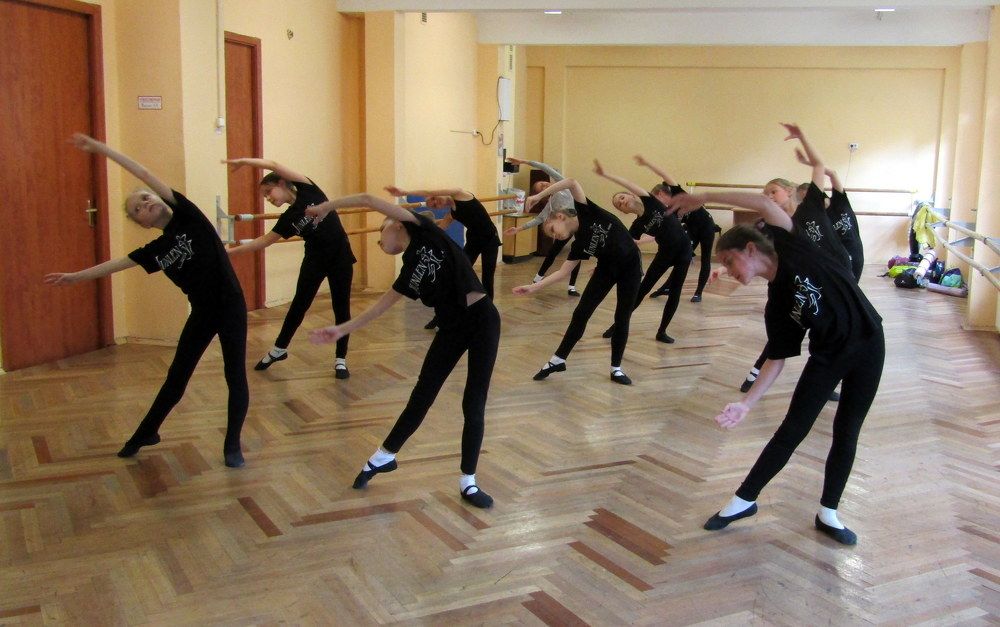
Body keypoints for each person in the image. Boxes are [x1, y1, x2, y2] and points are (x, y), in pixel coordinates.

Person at [667, 158, 884, 547]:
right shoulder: (777, 303)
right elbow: (777, 357)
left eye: (729, 261)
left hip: (870, 341)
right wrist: (746, 403)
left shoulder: (791, 242)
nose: (729, 270)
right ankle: (743, 500)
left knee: (847, 430)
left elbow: (766, 205)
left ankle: (829, 512)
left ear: (750, 249)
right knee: (792, 428)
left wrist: (703, 196)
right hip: (828, 356)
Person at [47, 134, 249, 468]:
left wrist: (100, 148)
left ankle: (232, 445)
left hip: (231, 306)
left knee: (234, 375)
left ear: (158, 197)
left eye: (145, 198)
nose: (144, 204)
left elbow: (141, 172)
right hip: (202, 312)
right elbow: (116, 265)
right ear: (141, 222)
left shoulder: (188, 215)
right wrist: (75, 277)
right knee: (177, 377)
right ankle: (146, 432)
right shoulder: (155, 250)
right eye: (137, 209)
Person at [307, 193, 500, 509]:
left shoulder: (424, 229)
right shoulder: (409, 269)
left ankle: (468, 481)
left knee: (473, 402)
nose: (379, 243)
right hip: (451, 329)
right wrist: (341, 329)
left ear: (395, 224)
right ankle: (385, 455)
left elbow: (368, 199)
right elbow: (380, 307)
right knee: (422, 394)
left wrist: (325, 207)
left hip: (482, 321)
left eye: (380, 234)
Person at [739, 124, 852, 394]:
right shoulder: (772, 227)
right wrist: (726, 268)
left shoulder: (811, 206)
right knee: (786, 330)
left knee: (833, 334)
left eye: (773, 191)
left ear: (789, 191)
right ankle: (757, 373)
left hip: (837, 278)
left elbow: (819, 165)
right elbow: (755, 252)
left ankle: (830, 382)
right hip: (802, 285)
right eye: (765, 194)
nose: (768, 197)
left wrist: (802, 136)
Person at [222, 158, 355, 378]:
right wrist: (228, 253)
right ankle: (279, 349)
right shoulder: (287, 219)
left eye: (268, 192)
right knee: (299, 305)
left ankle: (341, 359)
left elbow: (274, 165)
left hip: (340, 257)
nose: (267, 198)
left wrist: (245, 161)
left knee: (341, 308)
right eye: (264, 196)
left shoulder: (309, 190)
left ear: (282, 183)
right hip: (314, 260)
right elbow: (263, 241)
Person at [512, 176, 641, 384]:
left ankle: (616, 368)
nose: (555, 237)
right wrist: (534, 287)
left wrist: (538, 196)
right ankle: (558, 359)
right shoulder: (578, 244)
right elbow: (563, 272)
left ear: (560, 216)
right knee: (581, 313)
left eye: (552, 230)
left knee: (622, 316)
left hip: (631, 268)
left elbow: (572, 182)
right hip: (606, 269)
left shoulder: (587, 211)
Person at [593, 159, 693, 344]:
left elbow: (627, 182)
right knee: (642, 289)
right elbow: (625, 246)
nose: (621, 202)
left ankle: (662, 331)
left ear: (631, 195)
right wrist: (605, 262)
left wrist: (605, 174)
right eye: (618, 205)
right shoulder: (637, 225)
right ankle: (617, 326)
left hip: (684, 250)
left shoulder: (650, 201)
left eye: (621, 198)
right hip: (665, 253)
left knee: (675, 292)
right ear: (623, 211)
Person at [384, 185, 501, 330]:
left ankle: (488, 318)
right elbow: (438, 232)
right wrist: (415, 239)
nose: (436, 203)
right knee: (457, 275)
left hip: (490, 240)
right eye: (433, 205)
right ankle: (439, 317)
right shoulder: (451, 214)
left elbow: (428, 191)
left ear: (438, 193)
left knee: (487, 278)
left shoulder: (460, 194)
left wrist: (406, 192)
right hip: (473, 241)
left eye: (434, 199)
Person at [639, 158, 720, 303]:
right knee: (682, 257)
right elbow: (659, 234)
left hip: (706, 226)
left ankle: (698, 292)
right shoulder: (668, 211)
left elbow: (664, 174)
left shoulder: (678, 193)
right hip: (692, 229)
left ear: (661, 193)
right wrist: (639, 242)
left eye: (656, 198)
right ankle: (667, 288)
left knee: (705, 259)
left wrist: (647, 163)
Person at [504, 157, 582, 296]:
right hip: (564, 228)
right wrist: (519, 229)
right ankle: (538, 278)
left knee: (578, 253)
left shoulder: (563, 186)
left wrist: (524, 161)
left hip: (580, 223)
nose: (545, 186)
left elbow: (546, 168)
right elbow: (539, 218)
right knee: (553, 252)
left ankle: (572, 286)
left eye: (543, 183)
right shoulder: (551, 204)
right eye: (541, 187)